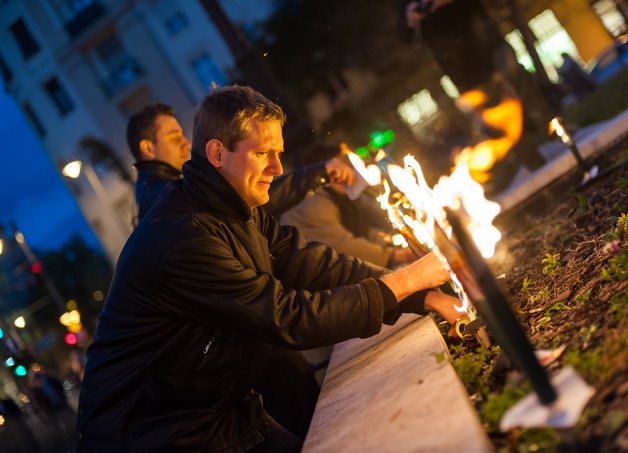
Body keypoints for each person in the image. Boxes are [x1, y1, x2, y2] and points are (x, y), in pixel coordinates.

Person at [78, 85, 463, 452]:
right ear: (216, 154)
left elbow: (311, 264)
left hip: (215, 406)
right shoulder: (184, 236)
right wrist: (408, 278)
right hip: (152, 433)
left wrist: (419, 295)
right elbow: (287, 317)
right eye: (263, 153)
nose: (277, 168)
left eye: (278, 153)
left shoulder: (235, 208)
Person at [398, 0, 554, 192]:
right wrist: (410, 21)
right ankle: (536, 165)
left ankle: (556, 129)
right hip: (461, 68)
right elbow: (404, 34)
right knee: (495, 117)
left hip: (484, 41)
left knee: (521, 86)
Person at [126, 103, 354, 222]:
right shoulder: (165, 196)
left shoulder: (159, 190)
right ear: (147, 147)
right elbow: (239, 200)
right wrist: (316, 174)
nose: (185, 144)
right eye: (175, 138)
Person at [281, 145, 416, 268]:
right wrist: (396, 255)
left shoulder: (343, 197)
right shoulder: (312, 202)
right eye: (343, 163)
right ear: (327, 171)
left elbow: (362, 230)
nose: (350, 168)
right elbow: (343, 244)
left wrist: (387, 242)